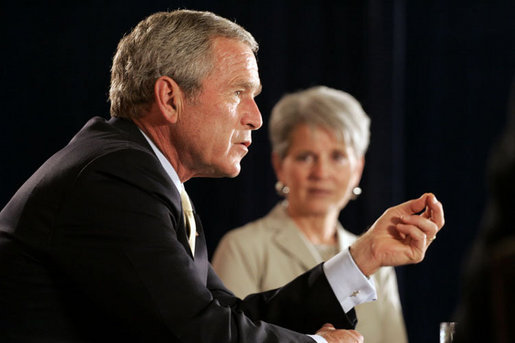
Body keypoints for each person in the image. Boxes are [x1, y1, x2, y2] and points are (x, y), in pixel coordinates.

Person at [0, 9, 444, 343]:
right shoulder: (113, 177)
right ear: (169, 98)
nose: (254, 117)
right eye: (239, 93)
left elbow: (232, 315)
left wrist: (363, 256)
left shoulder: (143, 174)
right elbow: (196, 333)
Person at [213, 86, 408, 343]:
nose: (321, 172)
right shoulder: (242, 247)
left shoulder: (377, 259)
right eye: (306, 157)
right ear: (280, 165)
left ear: (358, 169)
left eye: (337, 157)